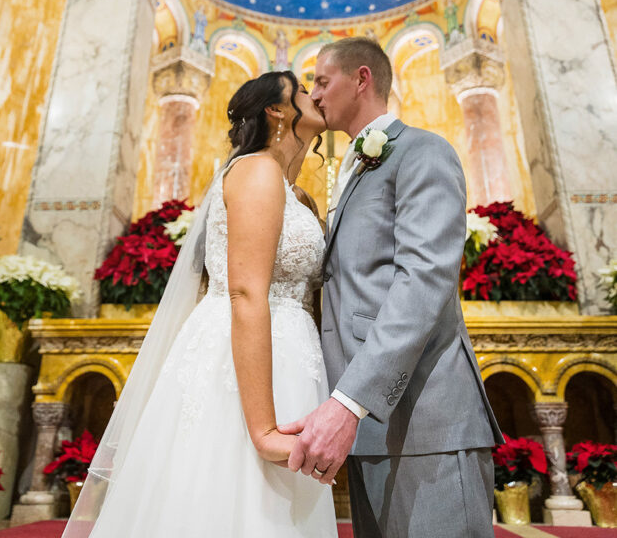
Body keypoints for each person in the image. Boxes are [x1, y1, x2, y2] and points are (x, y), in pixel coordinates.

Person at [62, 70, 337, 538]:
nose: (316, 96)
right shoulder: (255, 169)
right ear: (276, 109)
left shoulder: (301, 196)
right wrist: (263, 428)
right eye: (305, 90)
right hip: (244, 360)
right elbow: (246, 292)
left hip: (293, 356)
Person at [279, 37, 502, 538]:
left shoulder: (424, 151)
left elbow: (423, 280)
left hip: (425, 423)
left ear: (362, 79)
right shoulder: (350, 167)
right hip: (365, 427)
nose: (314, 94)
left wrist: (349, 401)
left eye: (322, 80)